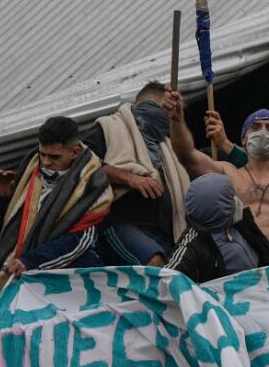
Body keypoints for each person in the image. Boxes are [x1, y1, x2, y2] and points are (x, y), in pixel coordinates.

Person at [0, 116, 113, 346]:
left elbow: (80, 241)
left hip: (60, 280)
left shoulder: (93, 183)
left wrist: (30, 262)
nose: (46, 162)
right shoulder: (31, 170)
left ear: (74, 152)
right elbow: (19, 227)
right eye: (42, 154)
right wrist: (4, 198)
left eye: (54, 157)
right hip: (15, 273)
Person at [162, 89, 269, 249]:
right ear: (244, 139)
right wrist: (177, 120)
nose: (263, 132)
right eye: (256, 127)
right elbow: (186, 155)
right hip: (241, 269)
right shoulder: (226, 174)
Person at [79, 82, 190, 267]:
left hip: (166, 232)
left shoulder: (166, 146)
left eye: (166, 113)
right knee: (154, 264)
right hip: (121, 225)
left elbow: (192, 157)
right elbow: (81, 164)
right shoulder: (109, 127)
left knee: (184, 272)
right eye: (155, 108)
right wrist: (131, 178)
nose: (159, 116)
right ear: (139, 105)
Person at [166, 174, 269, 283]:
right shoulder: (191, 246)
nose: (236, 201)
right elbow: (167, 282)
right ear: (220, 208)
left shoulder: (241, 224)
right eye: (231, 197)